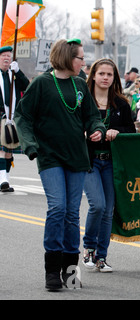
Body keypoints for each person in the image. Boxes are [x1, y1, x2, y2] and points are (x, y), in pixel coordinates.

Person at [15, 38, 106, 290]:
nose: (84, 62)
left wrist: (96, 129)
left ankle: (70, 271)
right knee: (57, 208)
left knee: (70, 214)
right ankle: (52, 272)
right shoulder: (42, 83)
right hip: (50, 157)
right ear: (67, 58)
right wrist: (30, 145)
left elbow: (91, 116)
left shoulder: (79, 84)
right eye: (80, 57)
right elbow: (22, 116)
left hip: (77, 157)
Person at [83, 58, 135, 273]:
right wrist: (84, 134)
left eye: (110, 74)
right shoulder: (83, 99)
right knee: (97, 205)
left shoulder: (121, 102)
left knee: (109, 210)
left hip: (111, 162)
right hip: (89, 161)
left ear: (115, 78)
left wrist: (118, 132)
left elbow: (131, 132)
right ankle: (88, 248)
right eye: (101, 73)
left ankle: (102, 257)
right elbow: (73, 126)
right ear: (93, 75)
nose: (105, 78)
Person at [0, 45, 30, 192]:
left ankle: (6, 179)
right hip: (0, 115)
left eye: (9, 56)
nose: (7, 58)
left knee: (9, 150)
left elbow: (27, 86)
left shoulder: (14, 75)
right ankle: (2, 179)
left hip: (12, 116)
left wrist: (18, 71)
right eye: (4, 56)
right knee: (1, 149)